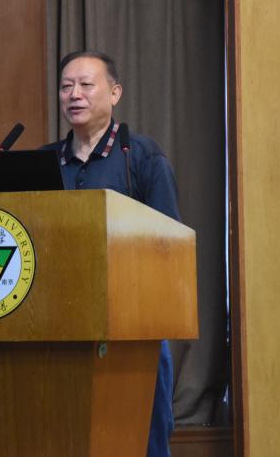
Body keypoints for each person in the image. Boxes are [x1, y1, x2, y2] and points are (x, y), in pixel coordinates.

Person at [42, 50, 179, 457]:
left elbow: (169, 246)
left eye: (86, 85)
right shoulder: (45, 161)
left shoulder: (143, 156)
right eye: (66, 86)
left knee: (140, 439)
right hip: (62, 325)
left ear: (115, 93)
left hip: (134, 326)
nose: (74, 95)